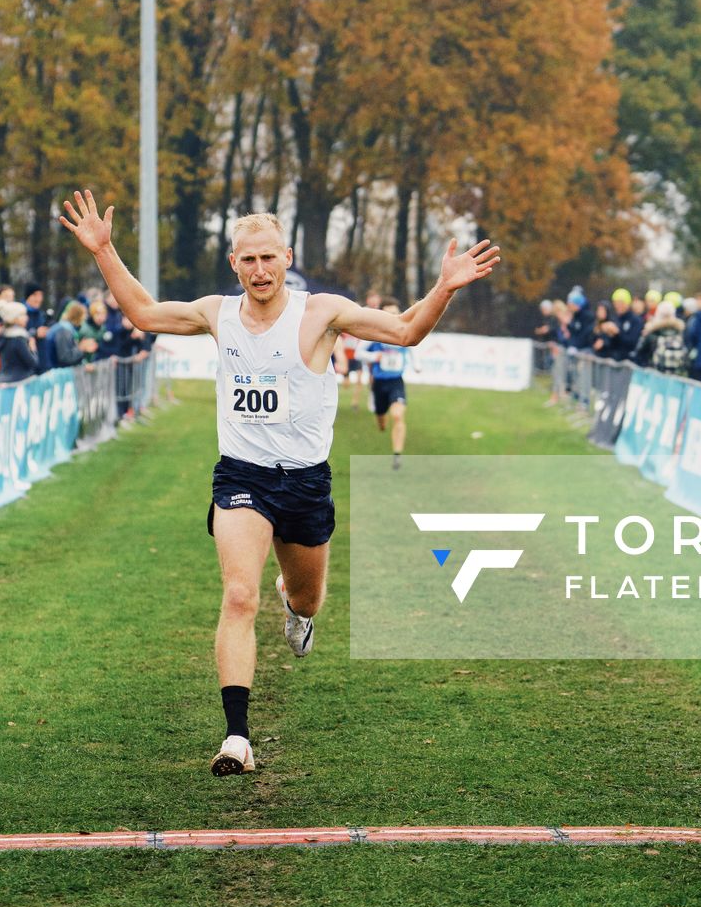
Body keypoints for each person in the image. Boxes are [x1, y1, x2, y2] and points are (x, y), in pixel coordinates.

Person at [60, 190, 498, 777]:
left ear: (287, 257)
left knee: (305, 594)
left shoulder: (321, 313)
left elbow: (406, 330)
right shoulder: (217, 313)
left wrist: (444, 285)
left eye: (268, 258)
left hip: (305, 483)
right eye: (247, 260)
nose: (259, 270)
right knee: (239, 595)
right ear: (234, 264)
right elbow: (144, 313)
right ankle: (236, 736)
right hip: (241, 476)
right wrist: (105, 250)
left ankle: (297, 612)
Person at [357, 299, 411, 470]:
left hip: (396, 381)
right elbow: (359, 353)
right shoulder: (374, 334)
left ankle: (397, 456)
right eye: (389, 313)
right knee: (382, 419)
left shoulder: (403, 332)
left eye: (395, 312)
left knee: (397, 415)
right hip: (379, 383)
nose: (393, 316)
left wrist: (417, 366)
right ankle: (380, 417)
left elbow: (411, 347)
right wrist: (375, 357)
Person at [0, 300, 39, 384]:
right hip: (19, 383)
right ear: (15, 318)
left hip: (3, 381)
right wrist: (33, 349)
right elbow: (32, 363)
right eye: (23, 315)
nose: (27, 318)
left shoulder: (2, 335)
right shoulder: (19, 338)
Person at [46, 300, 99, 369]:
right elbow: (65, 357)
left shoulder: (68, 329)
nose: (85, 320)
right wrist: (81, 348)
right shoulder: (64, 330)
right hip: (52, 371)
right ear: (79, 316)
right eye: (84, 316)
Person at [594, 289, 644, 360]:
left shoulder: (636, 320)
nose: (617, 306)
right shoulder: (615, 318)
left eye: (620, 303)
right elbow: (612, 343)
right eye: (615, 303)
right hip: (613, 359)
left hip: (628, 360)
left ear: (627, 303)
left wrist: (617, 332)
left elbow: (632, 343)